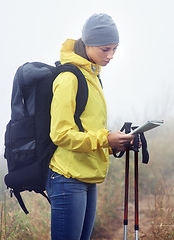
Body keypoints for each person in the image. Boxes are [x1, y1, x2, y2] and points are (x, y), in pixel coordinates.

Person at [46, 13, 134, 240]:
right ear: (88, 44)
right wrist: (105, 140)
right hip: (67, 178)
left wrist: (116, 143)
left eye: (115, 48)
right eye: (106, 49)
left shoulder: (92, 75)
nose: (112, 55)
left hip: (87, 176)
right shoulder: (69, 78)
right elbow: (60, 134)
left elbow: (87, 128)